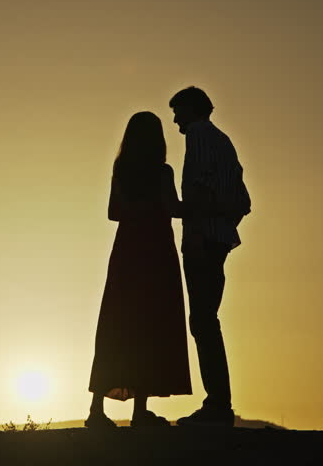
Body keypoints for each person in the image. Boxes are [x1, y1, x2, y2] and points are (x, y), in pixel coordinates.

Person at [86, 111, 192, 428]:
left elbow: (112, 212)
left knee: (117, 326)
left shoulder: (123, 170)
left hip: (127, 253)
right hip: (156, 252)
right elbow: (174, 209)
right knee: (151, 327)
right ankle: (140, 412)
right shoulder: (162, 173)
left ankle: (96, 410)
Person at [169, 86, 251, 427]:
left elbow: (200, 186)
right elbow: (243, 202)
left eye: (178, 112)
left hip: (204, 241)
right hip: (216, 240)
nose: (175, 120)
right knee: (205, 320)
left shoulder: (200, 135)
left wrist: (200, 232)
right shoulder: (224, 141)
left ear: (193, 109)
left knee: (202, 321)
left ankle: (217, 405)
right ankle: (218, 403)